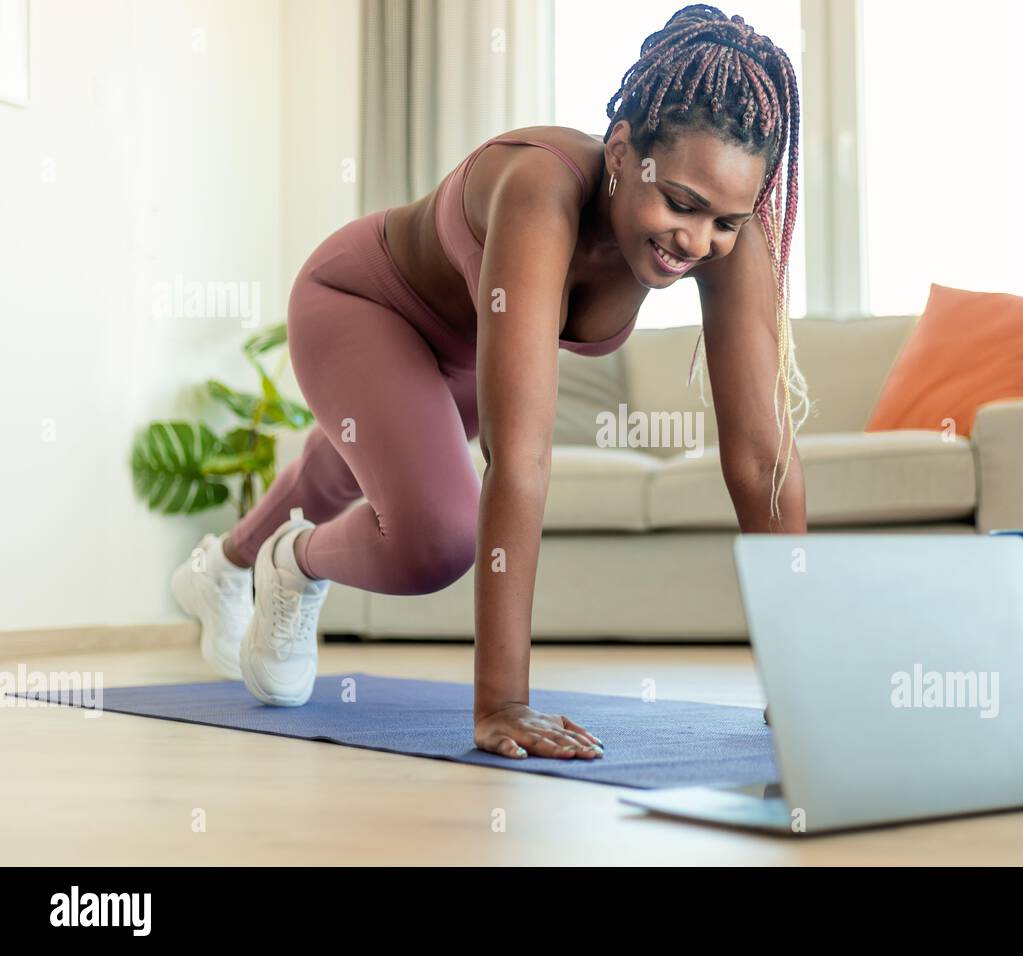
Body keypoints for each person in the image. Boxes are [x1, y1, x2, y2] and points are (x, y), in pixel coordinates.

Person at [170, 3, 807, 759]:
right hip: (360, 308)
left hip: (467, 352)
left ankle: (227, 564)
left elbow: (762, 458)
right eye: (680, 204)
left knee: (360, 450)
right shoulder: (542, 189)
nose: (697, 241)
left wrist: (800, 679)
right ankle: (292, 561)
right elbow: (523, 458)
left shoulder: (729, 236)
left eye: (725, 222)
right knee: (436, 537)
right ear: (622, 148)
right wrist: (503, 702)